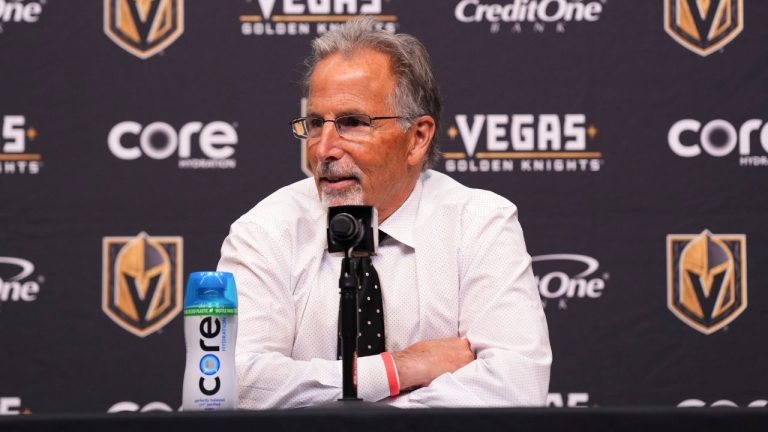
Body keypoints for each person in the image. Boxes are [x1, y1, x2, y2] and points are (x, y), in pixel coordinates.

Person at [217, 16, 551, 409]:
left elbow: (516, 385)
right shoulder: (264, 230)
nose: (323, 149)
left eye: (352, 123)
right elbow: (231, 384)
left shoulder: (480, 222)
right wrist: (400, 369)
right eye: (314, 123)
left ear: (418, 138)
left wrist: (352, 414)